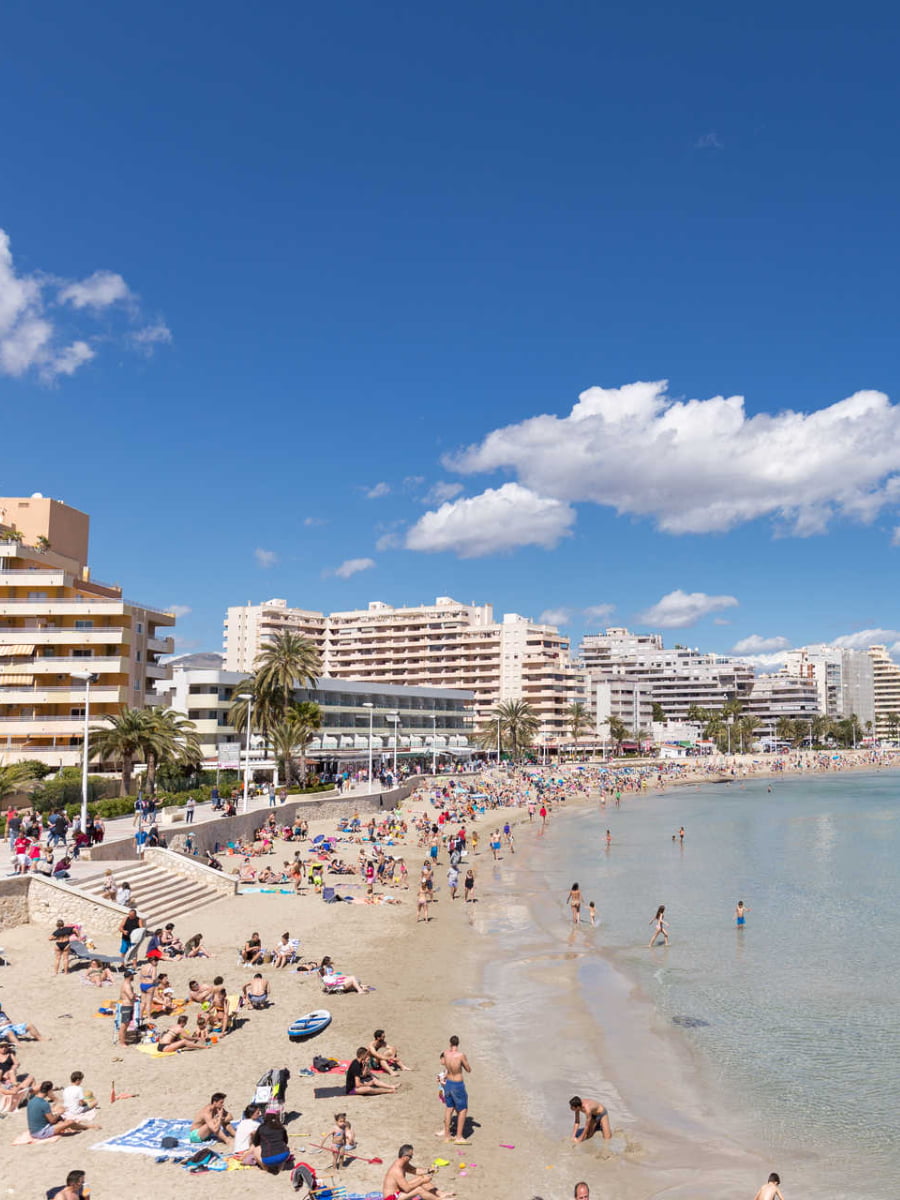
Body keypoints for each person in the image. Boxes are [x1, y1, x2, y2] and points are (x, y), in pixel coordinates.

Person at [381, 1144, 452, 1200]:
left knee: (422, 1178)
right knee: (419, 1189)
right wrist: (422, 1181)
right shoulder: (397, 1170)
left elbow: (415, 1170)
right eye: (411, 1156)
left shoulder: (403, 1163)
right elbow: (407, 1189)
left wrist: (429, 1170)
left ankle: (441, 1194)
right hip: (392, 1197)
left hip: (398, 1191)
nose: (411, 1158)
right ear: (405, 1157)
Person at [438, 1035, 470, 1143]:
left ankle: (447, 1136)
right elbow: (468, 1069)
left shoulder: (445, 1053)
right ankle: (459, 1137)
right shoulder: (460, 1055)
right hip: (457, 1083)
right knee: (463, 1109)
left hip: (448, 1083)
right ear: (458, 1043)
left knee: (449, 1108)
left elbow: (445, 1064)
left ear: (450, 1043)